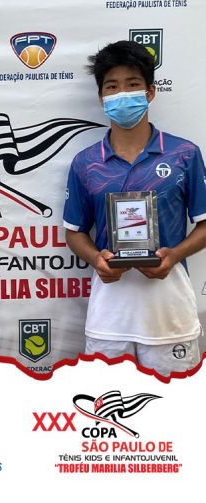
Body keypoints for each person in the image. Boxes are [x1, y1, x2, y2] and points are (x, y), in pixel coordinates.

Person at [63, 40, 206, 376]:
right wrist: (96, 258)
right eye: (112, 87)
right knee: (106, 405)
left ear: (150, 92)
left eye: (132, 84)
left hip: (169, 316)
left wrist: (174, 254)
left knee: (175, 405)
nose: (122, 94)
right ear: (101, 98)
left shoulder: (184, 155)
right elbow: (75, 233)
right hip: (109, 317)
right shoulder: (86, 163)